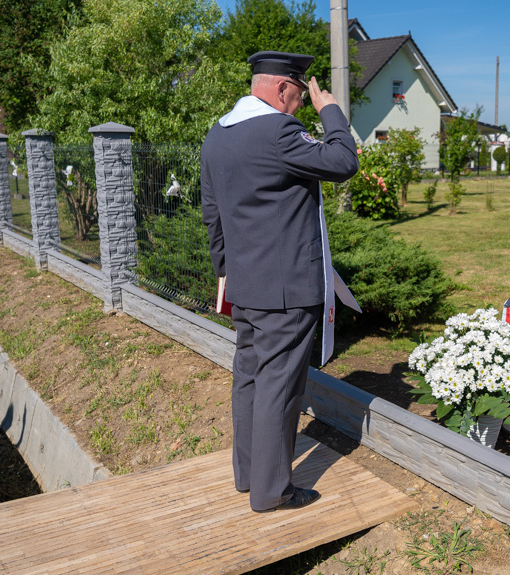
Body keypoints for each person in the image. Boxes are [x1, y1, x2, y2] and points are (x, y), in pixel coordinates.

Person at [200, 51, 358, 512]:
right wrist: (331, 109)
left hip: (246, 285)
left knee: (249, 379)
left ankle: (249, 475)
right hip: (287, 290)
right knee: (279, 388)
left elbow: (212, 213)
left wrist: (225, 272)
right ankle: (273, 492)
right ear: (284, 88)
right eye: (300, 97)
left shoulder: (218, 134)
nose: (301, 108)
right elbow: (342, 161)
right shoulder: (277, 130)